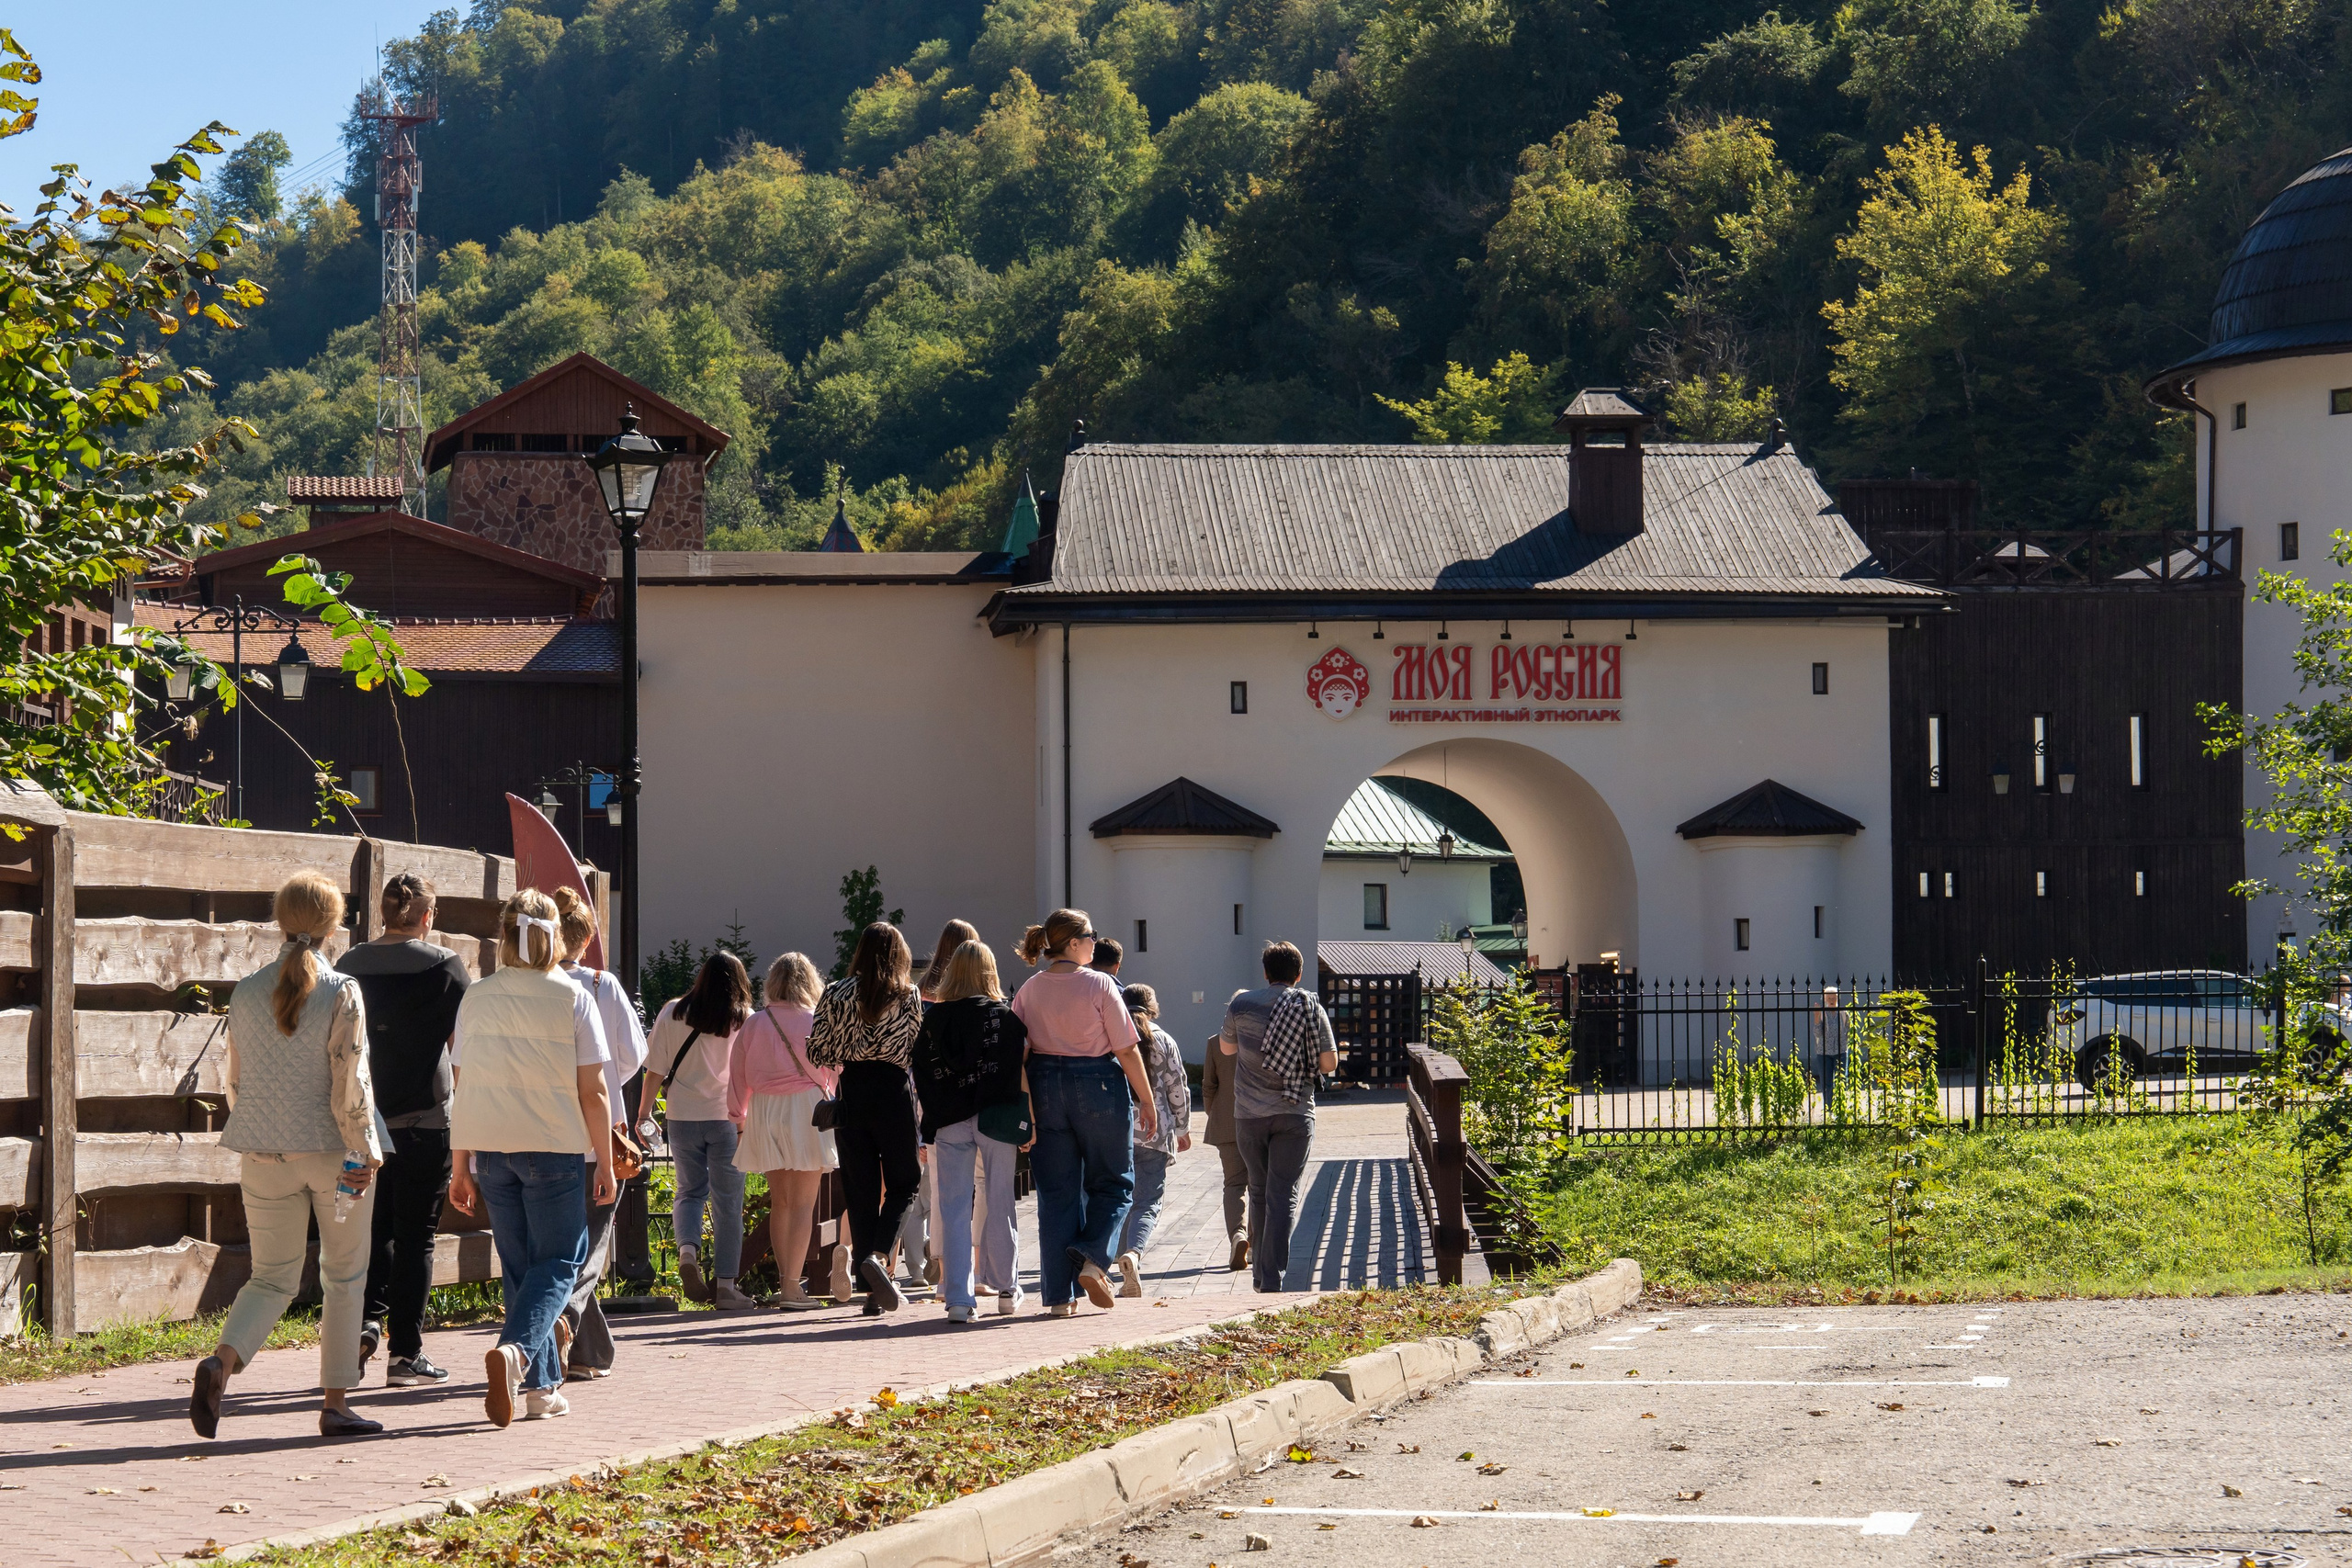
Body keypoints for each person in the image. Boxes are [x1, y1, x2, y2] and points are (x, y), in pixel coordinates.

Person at [190, 871, 386, 1439]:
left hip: (262, 1153)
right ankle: (335, 1402)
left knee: (272, 1276)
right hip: (338, 1159)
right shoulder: (343, 989)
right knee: (344, 1275)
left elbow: (236, 1081)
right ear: (334, 924)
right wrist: (366, 1150)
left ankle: (221, 1363)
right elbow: (352, 1083)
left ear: (280, 920)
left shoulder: (246, 990)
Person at [447, 889, 616, 1427]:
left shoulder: (477, 996)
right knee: (562, 1260)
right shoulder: (573, 996)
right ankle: (517, 1353)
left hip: (491, 1149)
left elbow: (464, 1081)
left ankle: (541, 1390)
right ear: (556, 938)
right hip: (554, 1148)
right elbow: (594, 1091)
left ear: (504, 936)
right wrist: (607, 1163)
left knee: (521, 1266)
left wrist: (459, 1164)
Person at [339, 872, 469, 1390]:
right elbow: (465, 1047)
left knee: (367, 1233)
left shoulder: (347, 967)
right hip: (425, 1124)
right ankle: (406, 1353)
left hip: (360, 1129)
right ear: (428, 917)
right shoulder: (445, 967)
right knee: (416, 1238)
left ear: (384, 913)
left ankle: (362, 1328)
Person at [1011, 909, 1158, 1314]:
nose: (1096, 941)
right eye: (1091, 935)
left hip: (1043, 1087)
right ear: (1073, 943)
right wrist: (1146, 1099)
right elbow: (1126, 1048)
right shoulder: (1100, 985)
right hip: (1099, 1084)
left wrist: (1027, 1110)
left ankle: (1059, 1297)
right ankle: (1094, 1259)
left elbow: (1017, 1055)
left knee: (1056, 1195)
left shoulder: (1029, 990)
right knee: (1114, 1183)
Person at [553, 886, 651, 1371]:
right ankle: (565, 1315)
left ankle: (588, 1354)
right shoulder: (601, 985)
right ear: (587, 937)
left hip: (547, 1127)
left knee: (568, 1239)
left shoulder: (539, 983)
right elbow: (634, 1055)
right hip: (600, 1129)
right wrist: (609, 1080)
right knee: (592, 1243)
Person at [808, 923, 926, 1314]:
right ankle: (877, 1257)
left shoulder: (837, 992)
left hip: (852, 1091)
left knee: (859, 1190)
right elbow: (915, 1047)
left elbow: (818, 1050)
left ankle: (869, 1286)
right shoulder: (907, 994)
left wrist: (849, 1046)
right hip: (893, 1091)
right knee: (905, 1182)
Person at [911, 939, 1029, 1323]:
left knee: (954, 1207)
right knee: (999, 1201)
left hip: (949, 1119)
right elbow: (1017, 1072)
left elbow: (923, 1075)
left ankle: (959, 1298)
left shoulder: (934, 1020)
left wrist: (929, 1123)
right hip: (996, 1118)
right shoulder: (1005, 1018)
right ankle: (1007, 1289)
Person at [1218, 941, 1338, 1293]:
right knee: (1282, 1194)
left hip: (1249, 1115)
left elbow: (1226, 1048)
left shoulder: (1241, 1004)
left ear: (1265, 973)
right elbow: (1329, 1063)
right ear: (1298, 974)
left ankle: (1259, 1276)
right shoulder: (1309, 1005)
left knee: (1258, 1190)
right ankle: (1271, 1278)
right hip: (1295, 1113)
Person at [638, 953, 754, 1310]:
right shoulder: (743, 1019)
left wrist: (644, 1113)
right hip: (727, 1119)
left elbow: (655, 1070)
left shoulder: (673, 1011)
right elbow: (748, 1075)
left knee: (689, 1192)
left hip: (682, 1118)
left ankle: (687, 1253)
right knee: (728, 1203)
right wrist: (746, 1122)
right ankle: (725, 1287)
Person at [729, 953, 839, 1310]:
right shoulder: (817, 1019)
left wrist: (739, 1119)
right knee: (804, 1203)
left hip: (765, 1110)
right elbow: (836, 1068)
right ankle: (793, 1287)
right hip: (806, 1108)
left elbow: (738, 1075)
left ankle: (784, 1282)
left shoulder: (755, 1023)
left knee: (781, 1203)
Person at [1114, 985, 1193, 1297]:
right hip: (1155, 1133)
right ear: (1154, 1007)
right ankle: (1133, 1254)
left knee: (1119, 1200)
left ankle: (1118, 1266)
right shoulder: (1164, 1041)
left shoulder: (1112, 1036)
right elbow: (1178, 1088)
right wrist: (1183, 1128)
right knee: (1147, 1202)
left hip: (1117, 1130)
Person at [1198, 1028, 1250, 1272]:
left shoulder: (1214, 1042)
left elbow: (1209, 1084)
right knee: (1262, 1186)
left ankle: (1238, 1236)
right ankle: (1258, 1244)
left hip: (1227, 1123)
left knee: (1234, 1185)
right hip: (1260, 1122)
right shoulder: (1263, 1037)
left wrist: (1213, 1113)